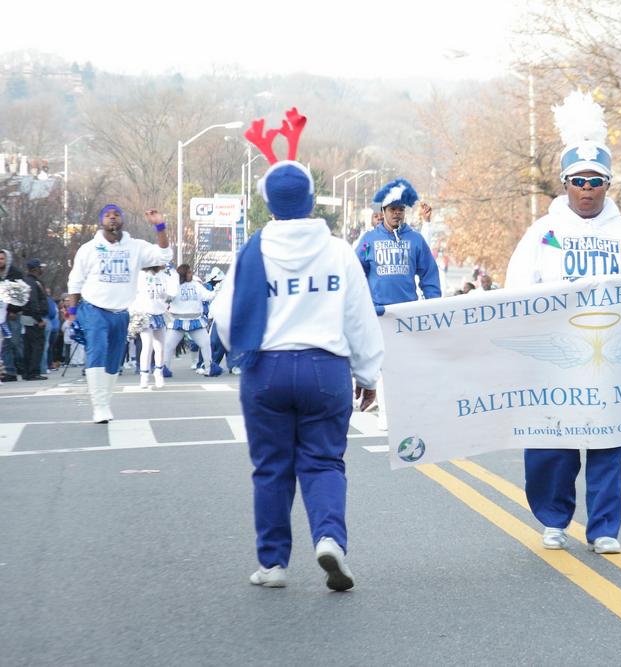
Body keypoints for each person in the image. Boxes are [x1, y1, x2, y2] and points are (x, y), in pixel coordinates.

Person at [211, 108, 383, 590]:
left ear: (268, 204)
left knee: (271, 468)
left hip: (266, 370)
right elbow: (359, 317)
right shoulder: (338, 251)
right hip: (325, 369)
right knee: (324, 462)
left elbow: (224, 316)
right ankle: (329, 538)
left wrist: (235, 352)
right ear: (313, 201)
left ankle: (273, 564)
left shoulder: (253, 251)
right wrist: (368, 375)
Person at [505, 91, 621, 555]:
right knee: (552, 448)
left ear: (608, 185)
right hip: (556, 360)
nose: (587, 188)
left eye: (596, 180)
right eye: (578, 180)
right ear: (566, 183)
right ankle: (554, 518)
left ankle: (604, 527)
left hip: (612, 359)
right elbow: (515, 292)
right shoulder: (542, 234)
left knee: (609, 444)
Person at [65, 206, 172, 423]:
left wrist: (160, 226)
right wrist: (72, 313)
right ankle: (99, 406)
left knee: (114, 359)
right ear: (101, 221)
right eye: (107, 215)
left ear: (122, 219)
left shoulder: (135, 247)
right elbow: (75, 281)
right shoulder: (90, 248)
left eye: (116, 214)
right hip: (94, 309)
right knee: (98, 350)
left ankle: (105, 400)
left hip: (121, 312)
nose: (112, 217)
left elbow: (164, 255)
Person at [356, 178, 441, 425]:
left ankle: (409, 413)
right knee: (384, 367)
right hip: (379, 314)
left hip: (407, 314)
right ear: (382, 212)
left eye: (401, 209)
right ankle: (386, 415)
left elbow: (429, 274)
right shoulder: (368, 241)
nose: (397, 213)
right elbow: (355, 274)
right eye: (392, 209)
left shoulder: (415, 240)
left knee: (407, 366)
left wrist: (433, 304)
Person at [163, 265, 215, 376]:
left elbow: (207, 296)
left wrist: (217, 292)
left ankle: (209, 368)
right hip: (177, 320)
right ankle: (164, 369)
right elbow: (166, 298)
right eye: (189, 272)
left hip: (195, 320)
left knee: (205, 343)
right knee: (168, 346)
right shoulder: (174, 286)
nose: (191, 274)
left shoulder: (197, 285)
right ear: (183, 274)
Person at [131, 265, 175, 388]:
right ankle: (144, 376)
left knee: (160, 347)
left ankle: (158, 373)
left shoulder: (164, 276)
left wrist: (172, 274)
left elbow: (171, 293)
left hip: (159, 313)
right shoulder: (140, 275)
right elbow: (132, 292)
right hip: (144, 314)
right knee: (147, 345)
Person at [20, 258, 49, 381]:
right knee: (36, 345)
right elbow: (33, 301)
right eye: (40, 267)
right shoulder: (32, 282)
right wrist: (39, 319)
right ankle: (33, 372)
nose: (42, 269)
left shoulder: (29, 281)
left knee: (28, 345)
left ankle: (27, 372)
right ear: (36, 268)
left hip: (28, 317)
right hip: (33, 318)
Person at [0, 249, 25, 381]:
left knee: (14, 342)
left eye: (2, 259)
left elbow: (21, 294)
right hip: (1, 315)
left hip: (12, 314)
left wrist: (14, 310)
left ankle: (20, 365)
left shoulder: (15, 273)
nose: (0, 261)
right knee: (4, 344)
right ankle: (9, 371)